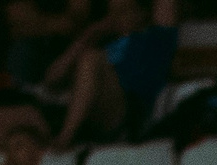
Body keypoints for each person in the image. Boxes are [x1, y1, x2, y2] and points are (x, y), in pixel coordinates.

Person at [40, 0, 174, 150]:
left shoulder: (155, 39)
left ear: (141, 13)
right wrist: (90, 34)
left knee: (91, 58)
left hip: (130, 116)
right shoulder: (105, 44)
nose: (117, 18)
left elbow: (166, 7)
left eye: (124, 11)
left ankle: (64, 139)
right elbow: (51, 80)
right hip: (93, 116)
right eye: (113, 14)